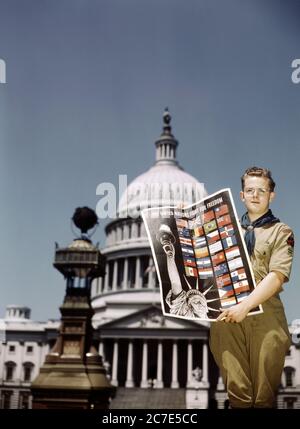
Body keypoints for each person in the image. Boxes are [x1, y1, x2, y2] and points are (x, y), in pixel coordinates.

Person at [209, 166, 294, 409]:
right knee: (238, 396)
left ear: (271, 195)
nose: (255, 195)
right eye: (249, 190)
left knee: (262, 398)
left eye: (261, 190)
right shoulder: (223, 232)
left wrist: (245, 306)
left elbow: (277, 276)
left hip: (265, 320)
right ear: (241, 195)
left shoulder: (281, 231)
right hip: (227, 320)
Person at [156, 224, 219, 319]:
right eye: (196, 302)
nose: (200, 305)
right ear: (189, 307)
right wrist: (170, 257)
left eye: (201, 302)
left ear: (207, 308)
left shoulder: (214, 320)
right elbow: (175, 283)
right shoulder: (185, 313)